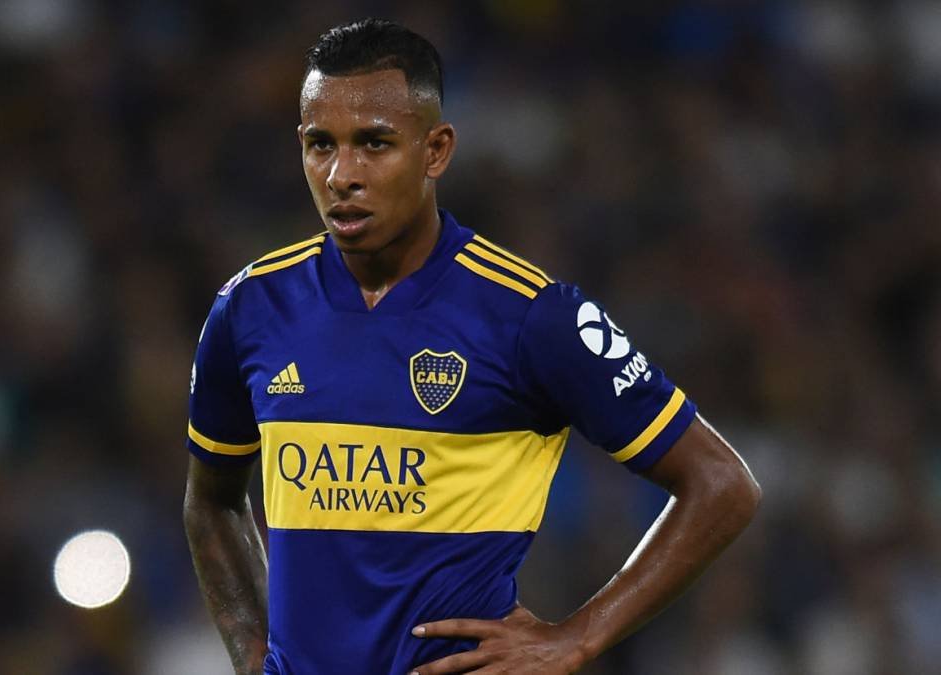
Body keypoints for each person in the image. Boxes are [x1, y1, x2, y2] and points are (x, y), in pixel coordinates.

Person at [183, 18, 761, 675]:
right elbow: (212, 500)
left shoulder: (532, 316)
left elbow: (720, 484)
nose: (342, 174)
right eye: (322, 145)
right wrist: (253, 655)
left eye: (374, 143)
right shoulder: (251, 307)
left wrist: (578, 637)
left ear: (436, 150)